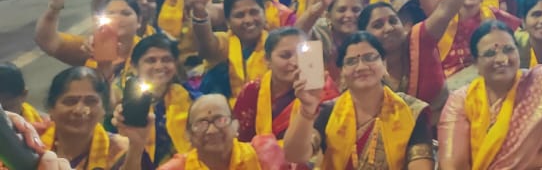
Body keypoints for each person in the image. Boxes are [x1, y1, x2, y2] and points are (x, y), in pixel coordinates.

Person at [437, 20, 542, 169]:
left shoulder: (541, 82)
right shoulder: (461, 101)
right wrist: (533, 160)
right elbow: (453, 166)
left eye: (508, 50)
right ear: (475, 63)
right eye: (489, 54)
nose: (501, 59)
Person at [282, 33, 435, 170]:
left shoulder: (411, 111)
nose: (361, 67)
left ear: (384, 64)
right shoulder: (329, 111)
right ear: (342, 72)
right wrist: (307, 110)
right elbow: (295, 156)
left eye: (370, 58)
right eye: (351, 61)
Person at [232, 28, 338, 141]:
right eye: (285, 56)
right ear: (267, 60)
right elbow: (240, 139)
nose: (295, 62)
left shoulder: (323, 90)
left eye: (301, 55)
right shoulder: (252, 91)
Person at [42, 66, 142, 170]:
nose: (79, 110)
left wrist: (136, 148)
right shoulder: (32, 144)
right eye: (70, 101)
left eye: (90, 101)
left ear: (104, 109)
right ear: (51, 108)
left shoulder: (122, 151)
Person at [121, 34, 197, 169]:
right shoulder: (122, 105)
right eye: (151, 60)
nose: (159, 66)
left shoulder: (192, 99)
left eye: (166, 59)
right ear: (134, 67)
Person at [157, 94, 286, 170]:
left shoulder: (264, 155)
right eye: (201, 123)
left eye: (221, 120)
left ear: (236, 126)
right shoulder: (177, 168)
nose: (212, 130)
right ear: (188, 134)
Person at [189, 0, 268, 102]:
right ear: (227, 22)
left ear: (264, 13)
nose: (248, 20)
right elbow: (207, 46)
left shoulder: (274, 44)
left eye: (254, 12)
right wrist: (200, 13)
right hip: (222, 114)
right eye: (240, 15)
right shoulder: (224, 41)